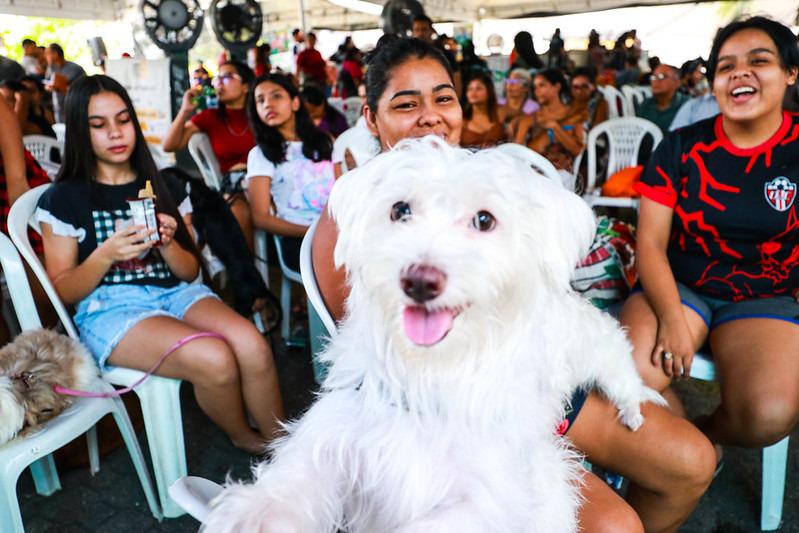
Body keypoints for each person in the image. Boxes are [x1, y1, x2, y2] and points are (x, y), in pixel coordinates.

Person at [311, 35, 715, 533]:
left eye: (443, 97)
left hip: (546, 370)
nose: (431, 116)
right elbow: (380, 370)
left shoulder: (487, 178)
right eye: (405, 104)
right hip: (460, 415)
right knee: (615, 527)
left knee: (691, 462)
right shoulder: (360, 212)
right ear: (371, 118)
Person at [34, 75, 284, 453]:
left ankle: (285, 447)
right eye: (99, 125)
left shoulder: (161, 184)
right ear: (79, 133)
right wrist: (107, 253)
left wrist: (167, 245)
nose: (116, 134)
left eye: (123, 120)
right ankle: (246, 438)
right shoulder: (63, 200)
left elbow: (189, 273)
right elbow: (63, 290)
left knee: (253, 346)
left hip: (179, 293)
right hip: (111, 308)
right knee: (214, 359)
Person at [622, 14, 799, 473]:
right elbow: (651, 241)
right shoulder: (680, 146)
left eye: (758, 61)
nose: (739, 73)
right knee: (633, 375)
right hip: (681, 284)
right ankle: (686, 460)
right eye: (725, 66)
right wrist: (670, 318)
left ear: (790, 73)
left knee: (768, 416)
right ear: (714, 82)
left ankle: (702, 436)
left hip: (767, 295)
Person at [162, 61, 256, 249]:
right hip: (236, 186)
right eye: (217, 78)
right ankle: (248, 272)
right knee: (239, 213)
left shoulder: (260, 114)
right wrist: (185, 110)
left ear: (246, 86)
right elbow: (169, 145)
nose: (219, 82)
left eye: (227, 77)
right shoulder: (210, 117)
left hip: (268, 180)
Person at [246, 73, 334, 272]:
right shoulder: (261, 155)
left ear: (295, 103)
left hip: (336, 231)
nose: (267, 104)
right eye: (260, 100)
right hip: (299, 239)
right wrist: (312, 233)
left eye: (276, 96)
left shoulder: (325, 142)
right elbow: (260, 217)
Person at [514, 68, 586, 174]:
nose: (537, 91)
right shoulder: (530, 119)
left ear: (557, 87)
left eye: (542, 85)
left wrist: (555, 127)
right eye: (535, 87)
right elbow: (517, 151)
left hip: (564, 176)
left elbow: (577, 151)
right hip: (535, 175)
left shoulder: (574, 115)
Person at [636, 64, 686, 134]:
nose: (656, 81)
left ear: (677, 82)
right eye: (653, 77)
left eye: (662, 76)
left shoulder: (686, 105)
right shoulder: (646, 104)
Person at [460, 72, 505, 148]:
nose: (473, 92)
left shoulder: (501, 113)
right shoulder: (462, 119)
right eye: (470, 89)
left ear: (489, 91)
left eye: (479, 88)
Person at [44, 43, 86, 123]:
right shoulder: (51, 68)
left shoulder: (75, 69)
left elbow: (83, 88)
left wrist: (62, 86)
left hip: (75, 108)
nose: (45, 57)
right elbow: (47, 83)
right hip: (59, 109)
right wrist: (49, 87)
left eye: (47, 54)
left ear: (55, 54)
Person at [497, 68, 539, 140]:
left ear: (525, 88)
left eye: (514, 82)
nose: (509, 85)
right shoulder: (499, 103)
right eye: (508, 81)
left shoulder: (532, 106)